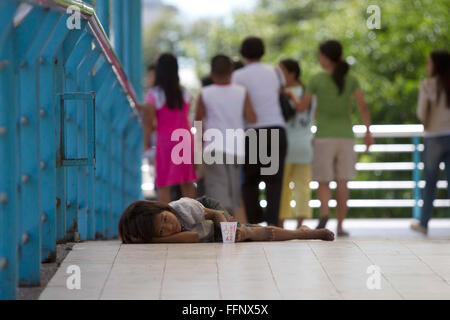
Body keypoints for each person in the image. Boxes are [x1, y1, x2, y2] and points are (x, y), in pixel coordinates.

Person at [288, 40, 374, 236]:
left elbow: (302, 107)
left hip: (323, 136)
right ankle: (341, 225)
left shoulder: (316, 80)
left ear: (326, 58)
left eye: (320, 55)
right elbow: (363, 106)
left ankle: (325, 214)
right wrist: (368, 132)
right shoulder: (351, 79)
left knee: (323, 180)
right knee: (343, 181)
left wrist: (291, 97)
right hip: (346, 136)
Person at [232, 36, 288, 226]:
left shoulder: (238, 75)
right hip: (276, 128)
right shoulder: (275, 71)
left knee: (250, 182)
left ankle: (254, 224)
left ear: (243, 53)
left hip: (252, 131)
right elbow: (281, 94)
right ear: (263, 51)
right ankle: (273, 225)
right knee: (274, 182)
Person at [195, 55, 257, 222]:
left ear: (212, 73)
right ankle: (242, 231)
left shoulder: (205, 93)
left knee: (218, 198)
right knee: (235, 196)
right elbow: (252, 117)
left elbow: (198, 124)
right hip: (237, 149)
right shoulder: (242, 92)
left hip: (214, 149)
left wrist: (196, 152)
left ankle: (225, 233)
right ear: (231, 71)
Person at [118, 196, 335, 243]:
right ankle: (304, 230)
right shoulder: (166, 232)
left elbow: (194, 234)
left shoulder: (184, 208)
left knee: (251, 232)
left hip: (211, 212)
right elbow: (192, 236)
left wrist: (231, 230)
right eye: (162, 232)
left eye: (165, 218)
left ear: (164, 208)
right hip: (205, 228)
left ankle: (305, 234)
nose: (170, 226)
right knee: (249, 231)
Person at [139, 53, 197, 203]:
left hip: (166, 141)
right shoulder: (184, 92)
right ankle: (193, 220)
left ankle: (164, 219)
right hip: (184, 139)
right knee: (187, 182)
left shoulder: (154, 94)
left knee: (164, 184)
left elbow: (148, 122)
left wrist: (145, 144)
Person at [411, 50, 450, 235]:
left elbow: (421, 113)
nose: (427, 67)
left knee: (430, 182)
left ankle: (424, 223)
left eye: (429, 63)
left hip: (433, 137)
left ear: (435, 65)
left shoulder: (428, 85)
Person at [278, 59, 314, 229]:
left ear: (291, 73)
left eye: (282, 71)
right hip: (305, 146)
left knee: (282, 186)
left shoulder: (282, 93)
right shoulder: (310, 94)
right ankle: (301, 223)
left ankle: (281, 223)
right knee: (303, 187)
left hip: (284, 146)